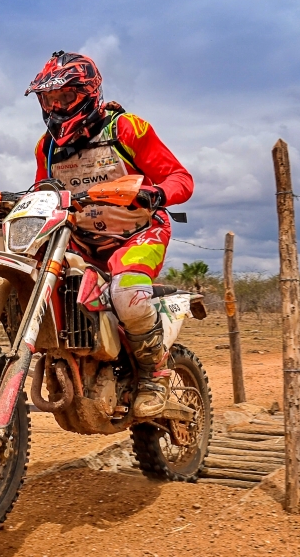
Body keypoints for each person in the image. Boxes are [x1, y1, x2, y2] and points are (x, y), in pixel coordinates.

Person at [26, 50, 194, 418]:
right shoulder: (47, 145)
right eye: (48, 99)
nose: (55, 106)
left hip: (138, 232)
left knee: (128, 292)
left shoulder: (126, 129)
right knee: (34, 277)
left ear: (87, 93)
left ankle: (153, 374)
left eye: (64, 97)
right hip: (79, 239)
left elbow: (181, 178)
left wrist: (157, 193)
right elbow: (43, 192)